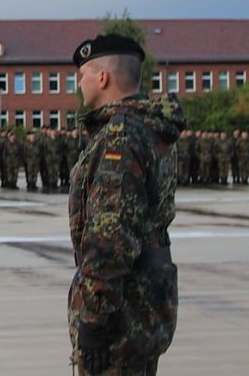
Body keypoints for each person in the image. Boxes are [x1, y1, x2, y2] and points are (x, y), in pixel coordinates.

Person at [69, 34, 183, 375]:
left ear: (102, 78)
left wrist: (92, 315)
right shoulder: (149, 127)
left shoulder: (121, 135)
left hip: (122, 308)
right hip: (147, 298)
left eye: (83, 74)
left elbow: (110, 236)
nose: (79, 83)